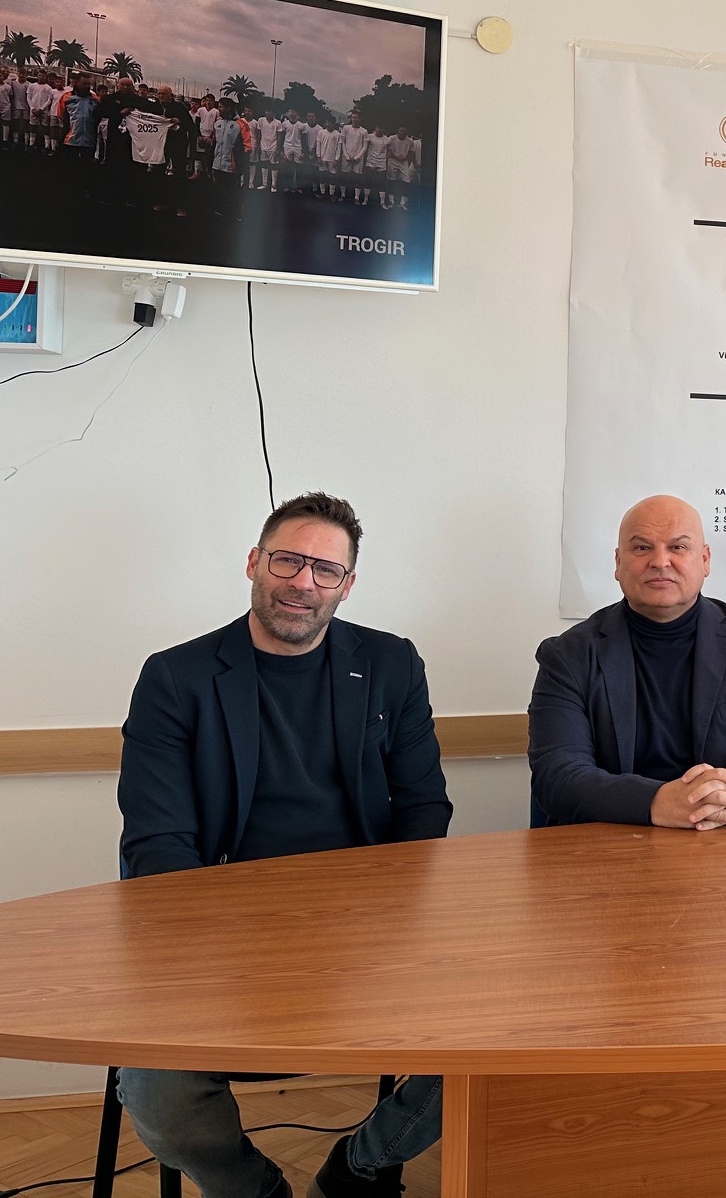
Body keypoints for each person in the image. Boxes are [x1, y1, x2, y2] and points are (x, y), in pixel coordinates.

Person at [115, 492, 452, 1198]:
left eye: (326, 570)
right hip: (219, 938)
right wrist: (236, 942)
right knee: (157, 1094)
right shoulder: (175, 678)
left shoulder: (391, 663)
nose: (304, 582)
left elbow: (424, 808)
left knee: (508, 1032)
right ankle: (254, 1191)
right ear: (253, 562)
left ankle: (360, 1167)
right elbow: (157, 847)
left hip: (364, 931)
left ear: (347, 585)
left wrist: (390, 920)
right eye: (287, 561)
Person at [528, 494, 726, 827]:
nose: (660, 561)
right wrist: (657, 802)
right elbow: (557, 773)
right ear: (618, 562)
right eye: (642, 548)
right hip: (614, 838)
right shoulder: (567, 655)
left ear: (705, 560)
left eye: (678, 547)